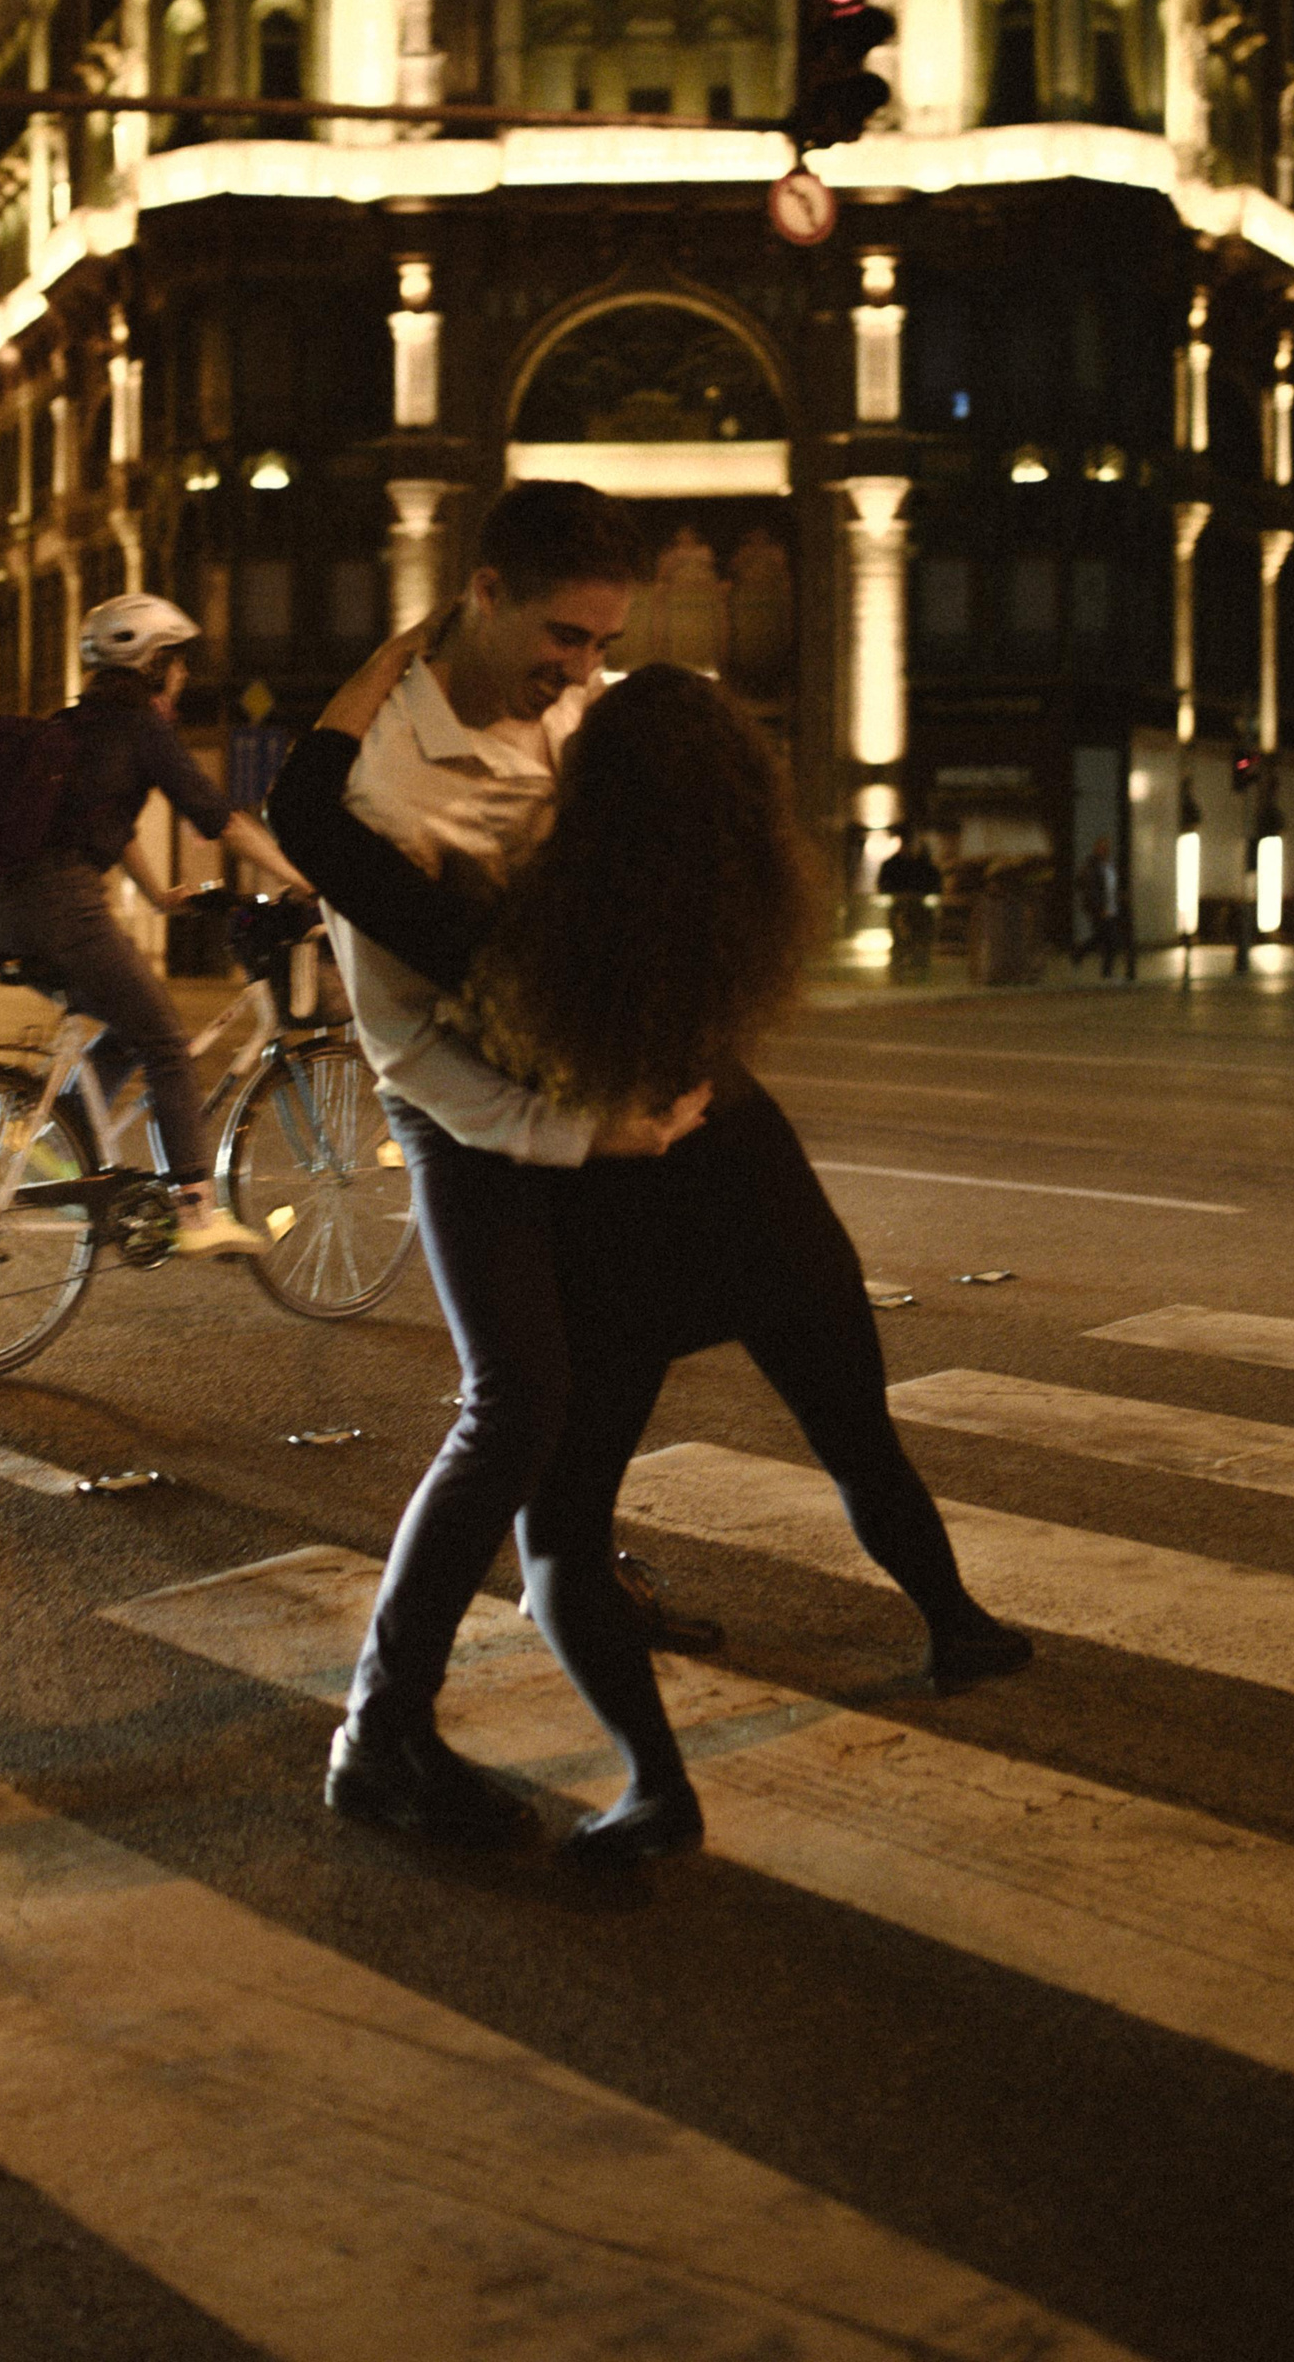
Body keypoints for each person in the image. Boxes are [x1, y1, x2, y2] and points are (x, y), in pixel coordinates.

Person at [270, 484, 1029, 1868]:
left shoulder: (584, 721)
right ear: (485, 594)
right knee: (518, 1408)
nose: (579, 672)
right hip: (483, 1113)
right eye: (561, 637)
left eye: (601, 647)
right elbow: (412, 1048)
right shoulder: (390, 791)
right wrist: (580, 1134)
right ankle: (381, 1734)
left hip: (619, 1102)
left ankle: (610, 1613)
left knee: (591, 1436)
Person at [0, 592, 309, 1256]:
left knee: (128, 1027)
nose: (183, 675)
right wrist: (299, 877)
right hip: (66, 910)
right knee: (165, 1041)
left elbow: (106, 821)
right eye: (177, 662)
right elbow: (216, 816)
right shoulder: (140, 729)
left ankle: (59, 1149)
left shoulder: (70, 725)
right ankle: (195, 1212)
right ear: (154, 664)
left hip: (8, 914)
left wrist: (158, 894)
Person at [876, 827, 942, 981]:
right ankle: (899, 975)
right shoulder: (893, 865)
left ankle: (919, 973)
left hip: (920, 911)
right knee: (900, 942)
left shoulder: (923, 864)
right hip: (901, 909)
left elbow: (936, 884)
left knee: (920, 942)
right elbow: (883, 885)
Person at [1075, 835, 1123, 977]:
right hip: (1100, 909)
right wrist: (1099, 908)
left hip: (1112, 907)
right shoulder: (1091, 866)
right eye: (1102, 848)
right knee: (1110, 939)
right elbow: (1091, 889)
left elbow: (1114, 885)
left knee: (1102, 938)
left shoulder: (1110, 865)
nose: (1105, 850)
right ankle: (1105, 970)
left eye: (1106, 848)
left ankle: (1080, 952)